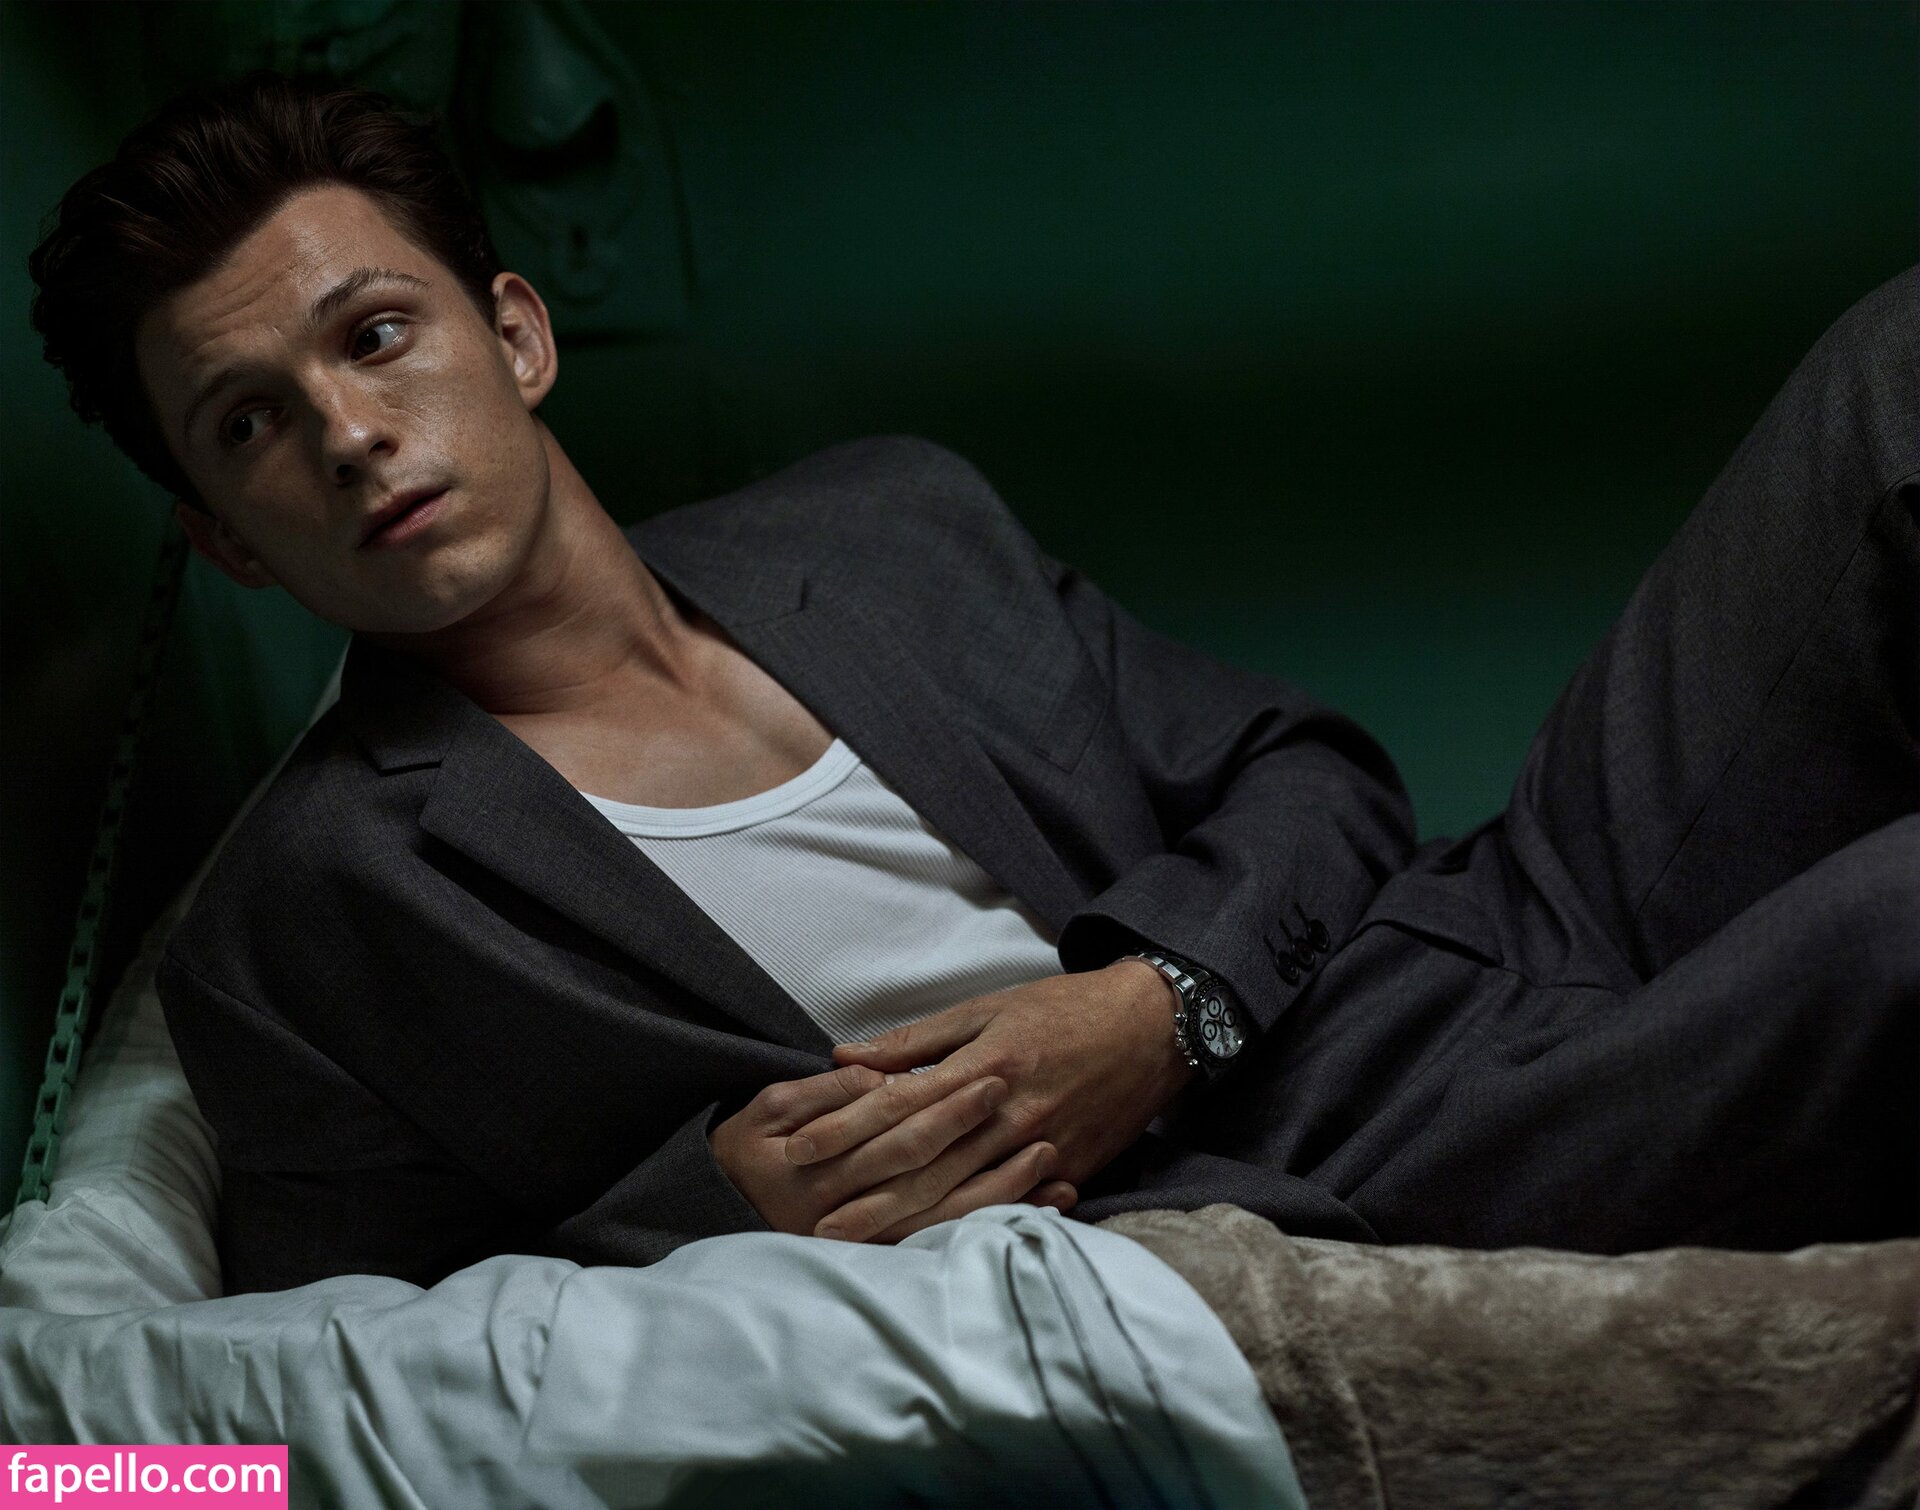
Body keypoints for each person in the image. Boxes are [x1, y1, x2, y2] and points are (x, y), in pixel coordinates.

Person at [28, 72, 1916, 1297]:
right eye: (251, 424)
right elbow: (301, 1409)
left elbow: (1311, 770)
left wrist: (1155, 1003)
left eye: (377, 335)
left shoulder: (882, 522)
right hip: (1329, 1201)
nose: (350, 433)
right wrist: (717, 1210)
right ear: (228, 540)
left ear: (514, 335)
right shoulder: (300, 920)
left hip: (1461, 937)